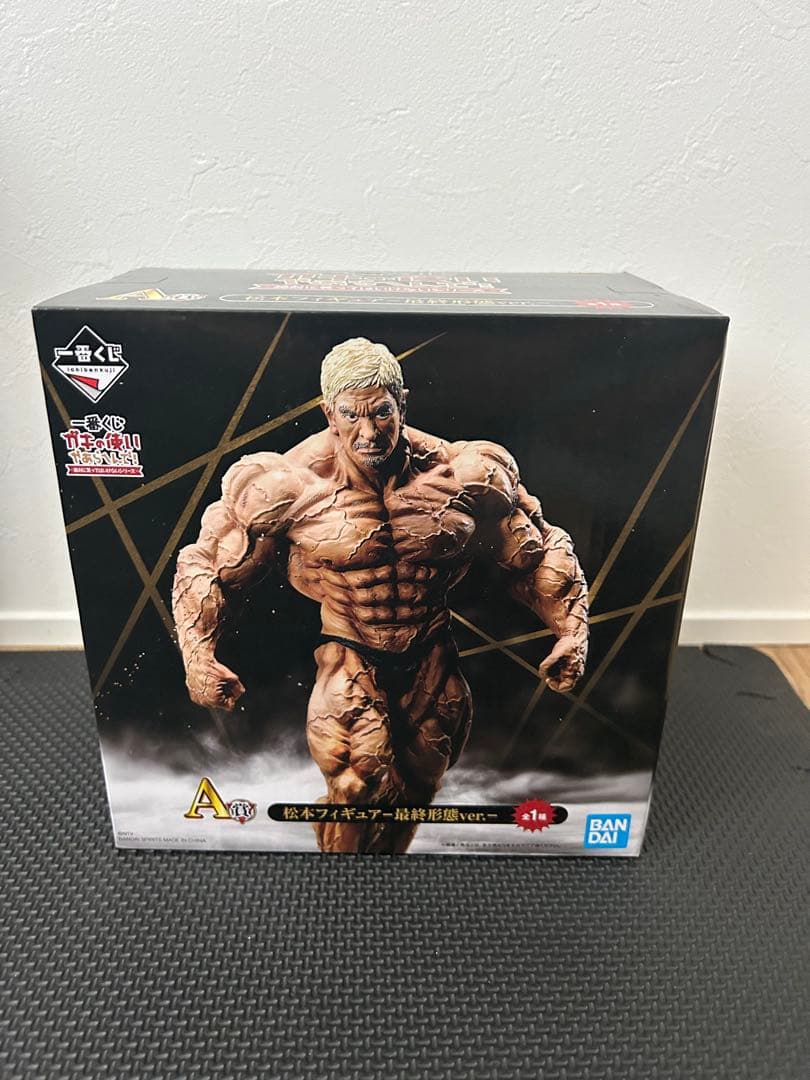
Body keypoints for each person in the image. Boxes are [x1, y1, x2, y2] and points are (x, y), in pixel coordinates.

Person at [173, 337, 588, 853]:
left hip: (432, 651)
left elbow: (537, 550)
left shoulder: (466, 472)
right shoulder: (284, 485)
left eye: (382, 413)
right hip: (350, 647)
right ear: (329, 413)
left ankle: (380, 878)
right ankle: (342, 888)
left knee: (417, 788)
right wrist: (197, 657)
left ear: (402, 404)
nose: (369, 433)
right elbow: (208, 563)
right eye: (352, 416)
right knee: (356, 784)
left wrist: (571, 633)